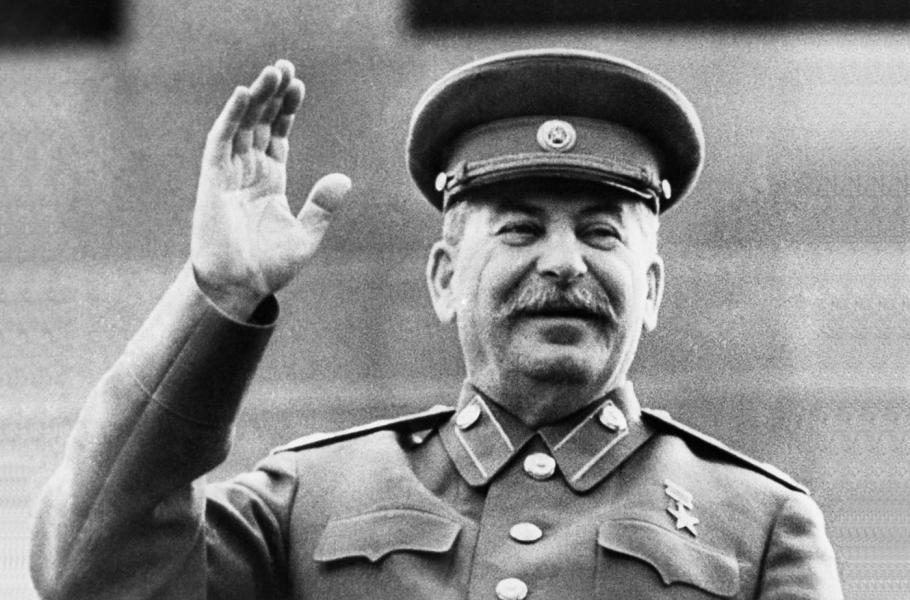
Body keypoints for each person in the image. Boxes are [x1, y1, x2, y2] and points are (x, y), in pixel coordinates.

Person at [30, 49, 842, 599]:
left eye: (600, 233)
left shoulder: (759, 525)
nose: (564, 262)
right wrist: (217, 295)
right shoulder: (307, 502)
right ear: (445, 279)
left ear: (653, 289)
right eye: (520, 229)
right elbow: (88, 570)